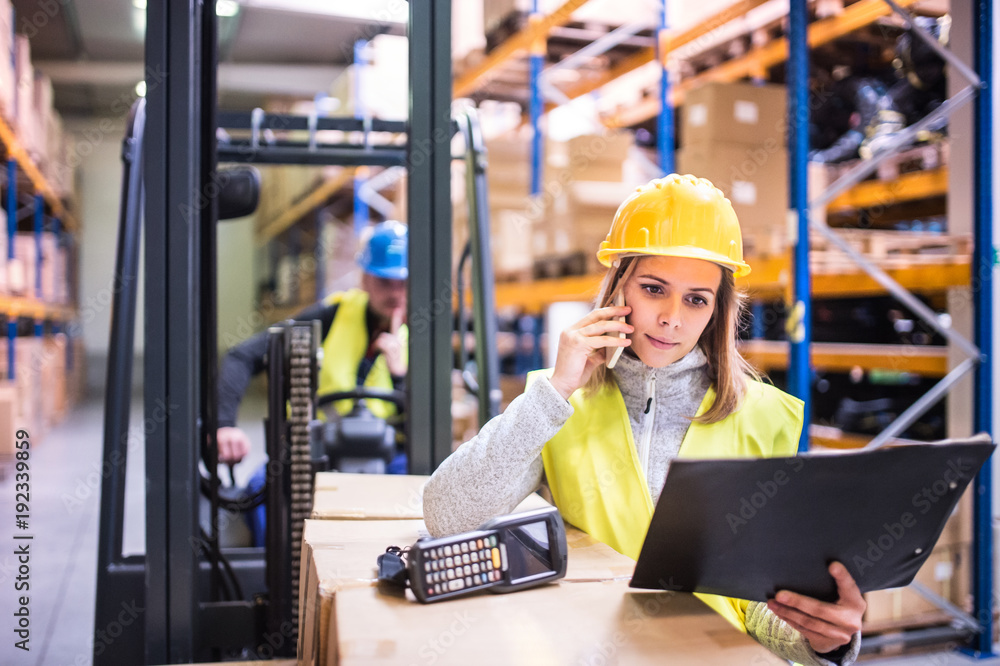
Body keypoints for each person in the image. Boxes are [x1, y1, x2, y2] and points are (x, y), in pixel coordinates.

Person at [423, 175, 864, 665]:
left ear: (716, 310)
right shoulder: (558, 406)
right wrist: (554, 393)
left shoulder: (762, 416)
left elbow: (759, 604)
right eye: (654, 289)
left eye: (696, 299)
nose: (672, 317)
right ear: (618, 287)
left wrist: (817, 638)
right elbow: (447, 516)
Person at [216, 219, 409, 466]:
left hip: (389, 459)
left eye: (403, 283)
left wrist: (400, 378)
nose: (395, 293)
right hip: (321, 452)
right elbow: (242, 356)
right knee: (258, 487)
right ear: (365, 279)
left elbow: (426, 426)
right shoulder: (334, 314)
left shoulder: (426, 334)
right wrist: (224, 425)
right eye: (384, 281)